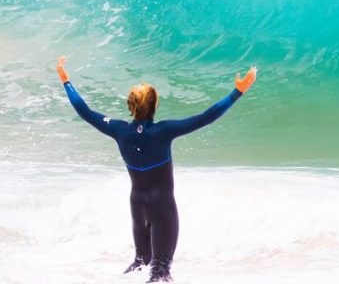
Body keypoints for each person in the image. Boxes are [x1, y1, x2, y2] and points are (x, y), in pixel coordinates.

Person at [56, 56, 256, 282]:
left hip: (137, 206)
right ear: (156, 105)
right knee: (160, 271)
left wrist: (66, 81)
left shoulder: (119, 130)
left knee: (140, 263)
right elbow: (204, 118)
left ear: (130, 106)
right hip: (162, 207)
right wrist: (236, 92)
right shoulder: (164, 131)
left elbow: (85, 111)